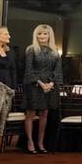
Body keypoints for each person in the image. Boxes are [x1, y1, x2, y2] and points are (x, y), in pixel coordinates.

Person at [24, 25, 62, 155]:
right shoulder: (31, 49)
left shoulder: (55, 51)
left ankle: (40, 142)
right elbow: (29, 70)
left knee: (44, 113)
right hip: (34, 85)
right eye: (39, 34)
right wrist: (40, 83)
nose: (42, 36)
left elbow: (58, 70)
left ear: (49, 35)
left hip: (50, 86)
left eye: (45, 34)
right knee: (31, 113)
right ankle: (30, 142)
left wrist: (51, 83)